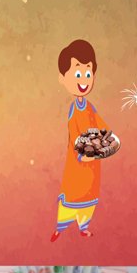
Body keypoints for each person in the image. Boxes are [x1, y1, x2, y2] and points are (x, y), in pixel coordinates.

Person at [52, 39, 106, 241]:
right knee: (71, 197)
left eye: (88, 74)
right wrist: (83, 155)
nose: (84, 79)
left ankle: (83, 227)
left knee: (89, 198)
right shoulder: (73, 110)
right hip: (78, 162)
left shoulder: (90, 107)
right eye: (77, 74)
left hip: (93, 164)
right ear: (63, 78)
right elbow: (75, 135)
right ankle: (60, 228)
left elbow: (101, 126)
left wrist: (107, 140)